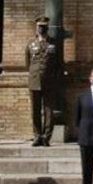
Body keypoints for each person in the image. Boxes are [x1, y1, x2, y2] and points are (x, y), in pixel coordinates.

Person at [26, 16, 62, 147]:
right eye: (40, 26)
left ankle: (46, 137)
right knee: (35, 110)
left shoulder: (53, 44)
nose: (42, 29)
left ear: (47, 28)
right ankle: (37, 136)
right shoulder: (31, 44)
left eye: (44, 26)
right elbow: (28, 64)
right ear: (36, 28)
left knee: (48, 111)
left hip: (49, 82)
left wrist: (54, 79)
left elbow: (59, 64)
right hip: (34, 82)